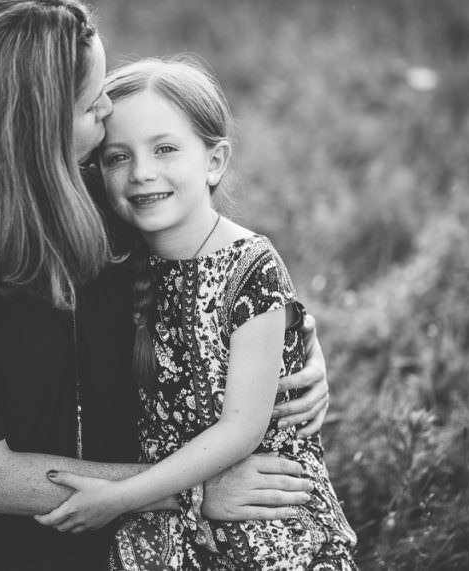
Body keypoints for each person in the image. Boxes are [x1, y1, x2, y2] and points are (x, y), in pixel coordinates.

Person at [0, 0, 331, 569]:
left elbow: (222, 276)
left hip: (118, 530)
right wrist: (190, 491)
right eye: (89, 103)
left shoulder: (100, 195)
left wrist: (297, 351)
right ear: (28, 128)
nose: (107, 109)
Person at [36, 59, 357, 569]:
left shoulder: (250, 265)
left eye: (165, 149)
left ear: (214, 161)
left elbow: (240, 430)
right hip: (166, 506)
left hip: (262, 499)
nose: (142, 172)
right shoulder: (117, 257)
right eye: (118, 157)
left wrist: (117, 498)